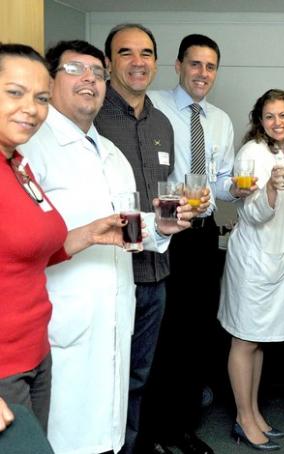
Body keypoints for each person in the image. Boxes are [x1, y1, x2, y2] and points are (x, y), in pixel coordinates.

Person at [20, 40, 193, 454]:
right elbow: (22, 242)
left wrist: (163, 225)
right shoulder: (33, 148)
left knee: (113, 419)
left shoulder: (111, 153)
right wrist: (83, 235)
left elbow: (125, 225)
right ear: (50, 79)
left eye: (97, 73)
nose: (90, 80)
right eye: (76, 69)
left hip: (116, 306)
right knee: (62, 430)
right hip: (64, 315)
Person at [0, 42, 126, 434]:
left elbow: (33, 252)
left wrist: (88, 234)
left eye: (39, 97)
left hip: (34, 352)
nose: (32, 109)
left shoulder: (17, 164)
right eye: (14, 93)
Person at [94, 24, 208, 454]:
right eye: (126, 53)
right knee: (107, 374)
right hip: (111, 268)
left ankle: (134, 445)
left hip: (157, 267)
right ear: (109, 62)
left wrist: (179, 206)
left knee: (143, 373)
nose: (138, 62)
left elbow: (162, 188)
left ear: (156, 63)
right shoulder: (94, 116)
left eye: (145, 54)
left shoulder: (161, 122)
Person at [147, 33, 246, 454]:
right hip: (165, 230)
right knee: (162, 333)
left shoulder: (220, 120)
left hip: (202, 237)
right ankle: (153, 430)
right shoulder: (152, 106)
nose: (203, 73)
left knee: (196, 335)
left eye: (210, 66)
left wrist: (236, 191)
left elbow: (221, 183)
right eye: (195, 64)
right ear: (178, 66)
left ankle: (182, 428)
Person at [218, 88, 284, 451]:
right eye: (269, 116)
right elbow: (253, 212)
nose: (277, 122)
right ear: (259, 120)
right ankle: (243, 418)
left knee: (258, 343)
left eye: (283, 116)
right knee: (245, 339)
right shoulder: (252, 154)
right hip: (254, 262)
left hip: (278, 261)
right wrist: (269, 189)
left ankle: (253, 413)